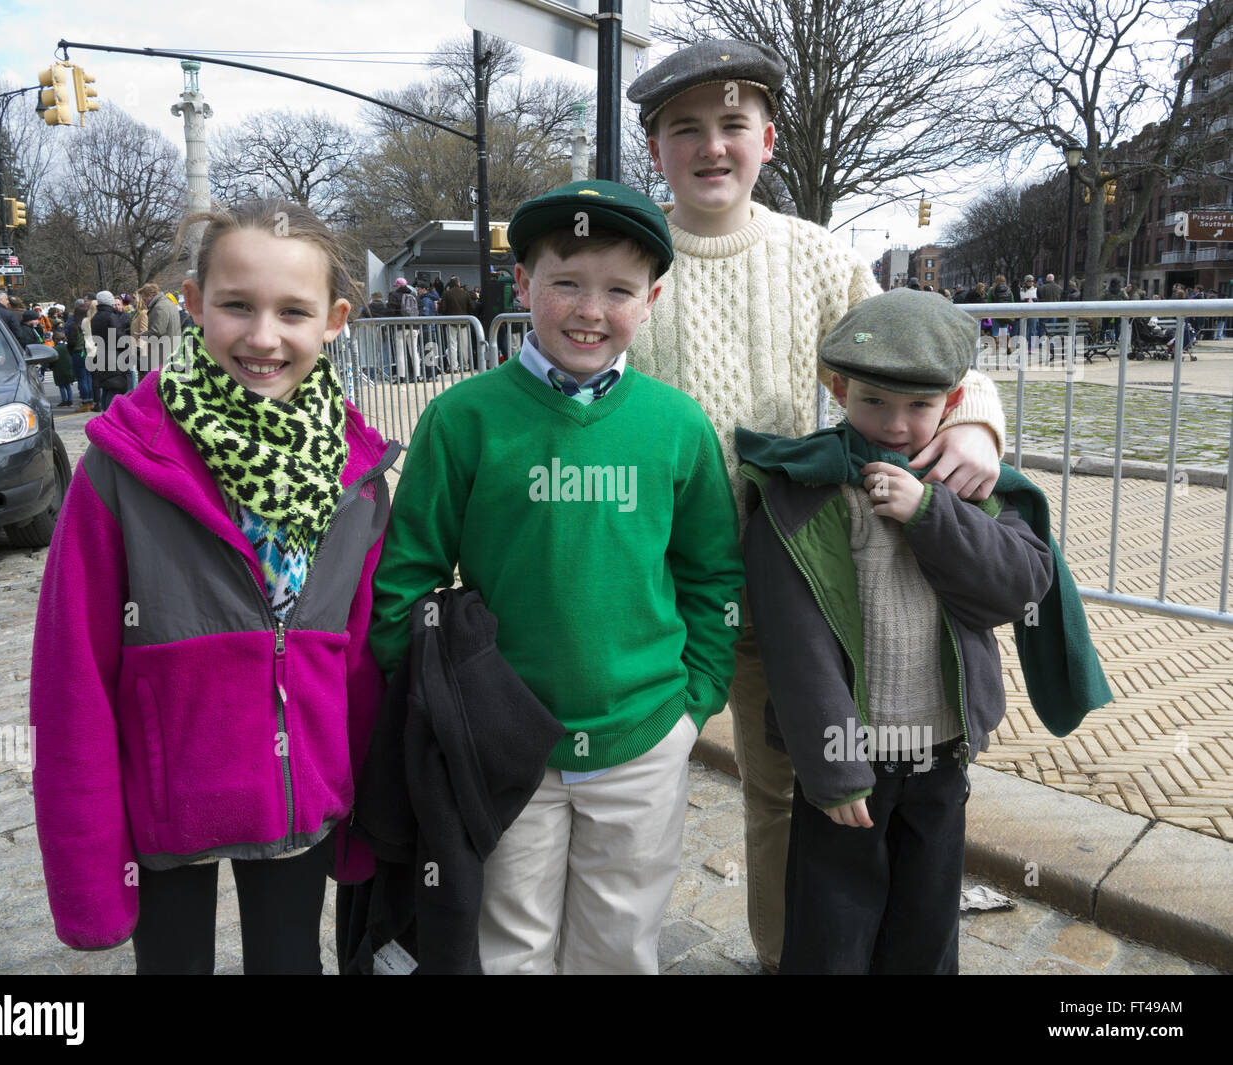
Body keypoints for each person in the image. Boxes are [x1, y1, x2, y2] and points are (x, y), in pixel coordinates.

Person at [623, 38, 1006, 974]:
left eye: (732, 125)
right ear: (655, 148)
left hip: (817, 589)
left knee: (801, 782)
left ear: (767, 137)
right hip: (679, 585)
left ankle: (816, 953)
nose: (711, 146)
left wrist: (978, 427)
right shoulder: (636, 261)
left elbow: (925, 356)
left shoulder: (820, 257)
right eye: (685, 129)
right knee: (699, 786)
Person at [369, 180, 744, 974]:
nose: (589, 309)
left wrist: (694, 704)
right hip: (504, 747)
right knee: (509, 944)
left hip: (643, 736)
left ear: (652, 298)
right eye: (566, 282)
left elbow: (715, 577)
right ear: (524, 284)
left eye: (619, 289)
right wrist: (448, 709)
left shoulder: (676, 426)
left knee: (619, 945)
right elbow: (405, 577)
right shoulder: (463, 419)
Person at [30, 199, 395, 974]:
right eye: (237, 306)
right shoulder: (119, 471)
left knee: (290, 961)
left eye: (292, 311)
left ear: (332, 319)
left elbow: (359, 659)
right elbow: (72, 683)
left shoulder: (356, 478)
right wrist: (87, 870)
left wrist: (363, 811)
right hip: (165, 804)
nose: (263, 337)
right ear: (194, 305)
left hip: (301, 797)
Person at [736, 289, 1055, 973]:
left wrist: (933, 513)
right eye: (874, 401)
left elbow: (1020, 582)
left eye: (919, 406)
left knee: (926, 924)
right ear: (839, 387)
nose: (896, 425)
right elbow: (796, 647)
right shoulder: (799, 491)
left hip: (940, 750)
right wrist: (835, 767)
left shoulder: (964, 483)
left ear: (954, 400)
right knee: (832, 928)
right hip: (852, 755)